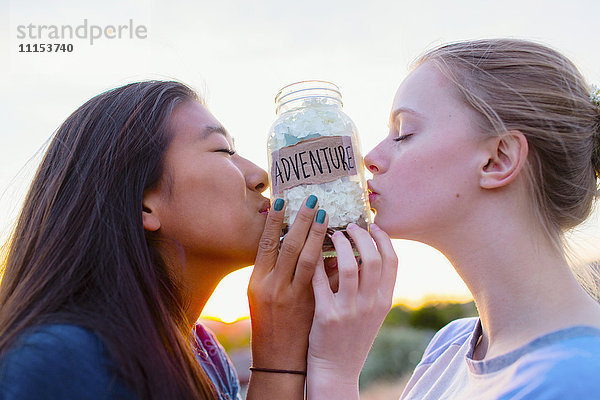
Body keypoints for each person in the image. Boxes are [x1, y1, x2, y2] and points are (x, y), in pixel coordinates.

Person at [0, 80, 397, 399]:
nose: (262, 175)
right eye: (223, 150)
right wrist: (279, 360)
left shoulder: (205, 357)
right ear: (144, 204)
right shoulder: (60, 359)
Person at [310, 38, 600, 399]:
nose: (370, 158)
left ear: (498, 160)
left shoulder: (576, 378)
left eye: (403, 133)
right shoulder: (450, 346)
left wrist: (333, 374)